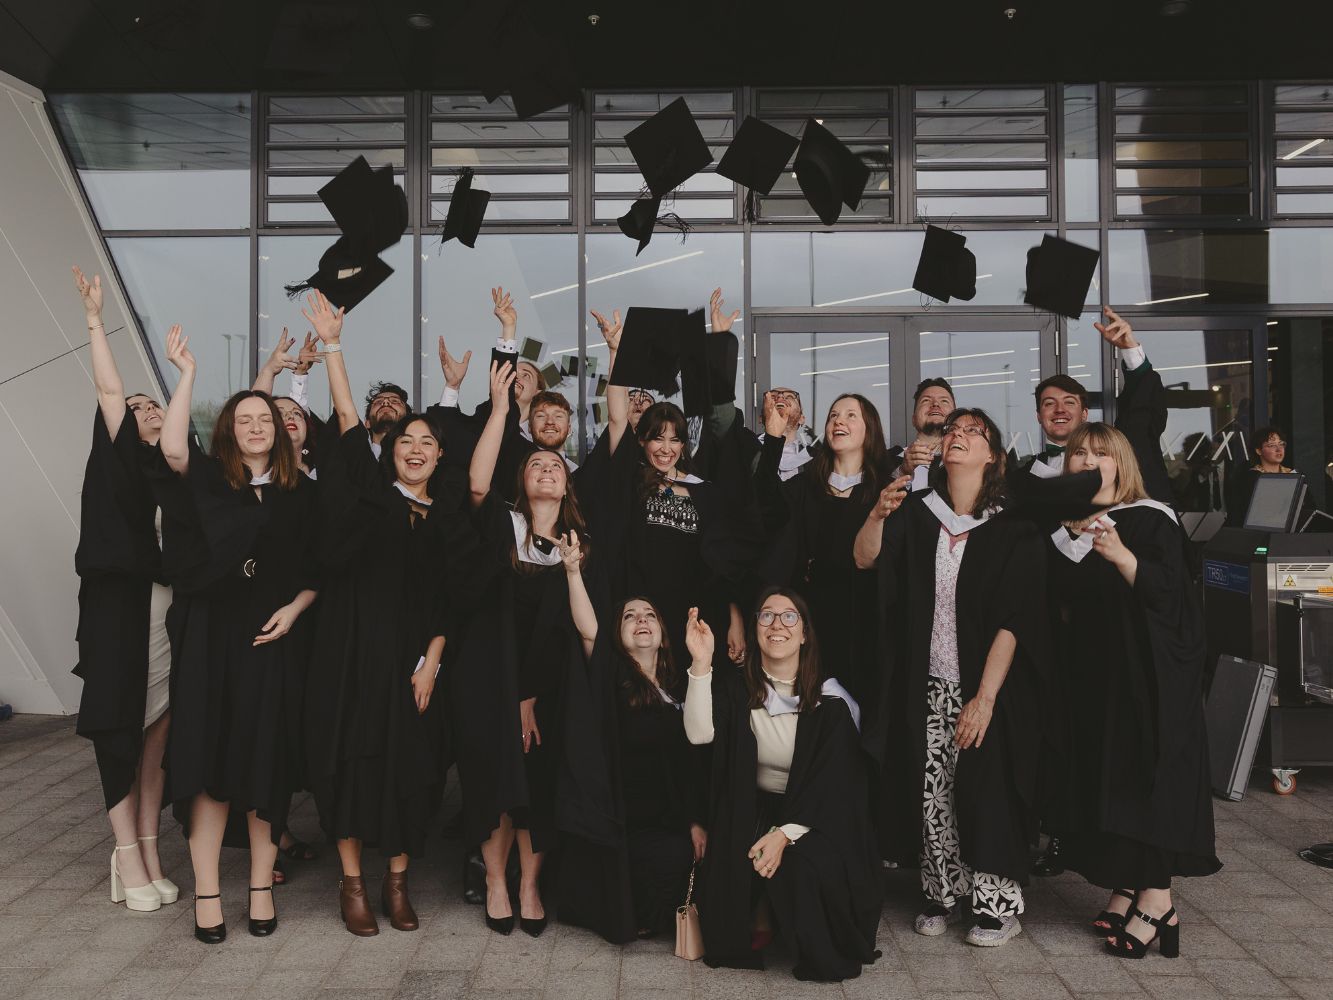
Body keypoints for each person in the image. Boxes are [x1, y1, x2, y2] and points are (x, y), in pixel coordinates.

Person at [855, 408, 1048, 948]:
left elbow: (1016, 618)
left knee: (988, 790)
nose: (958, 437)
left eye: (973, 432)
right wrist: (875, 514)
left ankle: (994, 905)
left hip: (990, 685)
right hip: (928, 680)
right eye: (952, 431)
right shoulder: (917, 513)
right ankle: (943, 892)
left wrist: (984, 698)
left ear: (993, 455)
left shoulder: (1015, 523)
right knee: (932, 791)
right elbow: (865, 560)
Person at [300, 292, 460, 936]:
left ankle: (397, 882)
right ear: (390, 452)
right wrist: (334, 346)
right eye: (405, 440)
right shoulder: (372, 499)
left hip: (412, 661)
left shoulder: (446, 520)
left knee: (410, 772)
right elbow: (343, 415)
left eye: (427, 441)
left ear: (439, 456)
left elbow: (451, 599)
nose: (415, 447)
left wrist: (432, 665)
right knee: (349, 765)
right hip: (350, 653)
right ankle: (353, 885)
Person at [158, 327, 319, 944]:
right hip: (210, 640)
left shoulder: (298, 494)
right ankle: (206, 891)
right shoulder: (207, 481)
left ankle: (258, 886)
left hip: (268, 642)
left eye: (265, 417)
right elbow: (173, 450)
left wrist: (297, 609)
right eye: (245, 417)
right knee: (207, 763)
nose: (256, 425)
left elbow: (316, 568)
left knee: (261, 763)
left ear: (280, 430)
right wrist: (188, 376)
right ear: (228, 430)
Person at [1049, 423, 1220, 958]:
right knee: (1111, 780)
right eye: (1079, 454)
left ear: (1122, 464)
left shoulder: (1149, 519)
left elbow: (1175, 601)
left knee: (1141, 777)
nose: (1088, 461)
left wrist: (1124, 557)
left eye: (1101, 454)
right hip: (1093, 678)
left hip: (1143, 678)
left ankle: (1158, 900)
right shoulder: (1064, 528)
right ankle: (1127, 884)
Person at [452, 359, 589, 939]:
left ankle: (530, 884)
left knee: (536, 784)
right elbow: (477, 481)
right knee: (492, 778)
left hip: (550, 686)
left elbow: (578, 630)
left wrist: (532, 695)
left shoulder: (578, 546)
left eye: (554, 466)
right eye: (534, 462)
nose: (545, 469)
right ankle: (494, 880)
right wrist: (503, 407)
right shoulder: (499, 528)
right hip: (488, 679)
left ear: (567, 482)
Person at [684, 590, 881, 981]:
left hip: (816, 816)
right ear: (755, 629)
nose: (777, 625)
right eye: (767, 616)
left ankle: (813, 943)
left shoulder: (830, 703)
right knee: (732, 850)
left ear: (805, 633)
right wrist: (701, 662)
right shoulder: (737, 688)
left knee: (807, 865)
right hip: (753, 804)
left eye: (789, 617)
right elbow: (699, 734)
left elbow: (836, 789)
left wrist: (784, 835)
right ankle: (759, 912)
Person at [69, 266, 178, 914]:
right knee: (120, 731)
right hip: (119, 614)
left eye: (153, 405)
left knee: (158, 734)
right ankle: (126, 856)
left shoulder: (174, 474)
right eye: (135, 408)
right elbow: (109, 387)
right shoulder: (117, 467)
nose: (143, 410)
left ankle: (148, 846)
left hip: (168, 617)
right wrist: (93, 320)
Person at [591, 307, 765, 670]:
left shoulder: (705, 491)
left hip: (696, 616)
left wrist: (733, 616)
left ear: (685, 445)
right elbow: (618, 416)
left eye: (675, 440)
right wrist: (616, 353)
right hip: (642, 618)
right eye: (656, 438)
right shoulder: (630, 480)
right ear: (641, 443)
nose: (665, 448)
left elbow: (723, 564)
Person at [555, 571, 708, 942]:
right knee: (664, 863)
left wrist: (695, 819)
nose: (641, 619)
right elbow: (589, 630)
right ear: (619, 636)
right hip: (627, 824)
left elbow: (691, 762)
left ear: (662, 634)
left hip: (669, 817)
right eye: (629, 616)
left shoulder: (678, 686)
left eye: (649, 614)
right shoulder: (612, 677)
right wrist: (573, 573)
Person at [756, 391, 905, 708]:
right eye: (833, 415)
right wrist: (773, 438)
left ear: (870, 430)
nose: (839, 420)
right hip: (812, 622)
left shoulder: (884, 491)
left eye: (851, 415)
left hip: (866, 624)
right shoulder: (805, 485)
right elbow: (766, 509)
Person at [1013, 307, 1170, 504]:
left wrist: (1129, 350)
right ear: (1038, 415)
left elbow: (1143, 410)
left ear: (1085, 413)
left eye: (1069, 402)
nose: (1059, 409)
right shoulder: (1021, 480)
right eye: (1049, 403)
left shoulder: (1123, 451)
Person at [889, 378, 956, 489]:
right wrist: (902, 472)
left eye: (944, 401)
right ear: (914, 419)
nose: (935, 404)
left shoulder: (971, 460)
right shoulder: (885, 460)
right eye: (926, 400)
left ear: (956, 418)